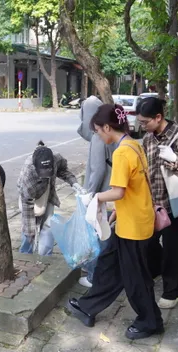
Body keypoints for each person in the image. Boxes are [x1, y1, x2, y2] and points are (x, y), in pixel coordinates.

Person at [66, 104, 163, 340]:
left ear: (108, 127)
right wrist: (115, 213)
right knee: (108, 265)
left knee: (135, 277)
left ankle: (151, 322)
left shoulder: (121, 152)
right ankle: (87, 307)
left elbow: (118, 191)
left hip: (134, 227)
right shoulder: (133, 145)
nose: (99, 135)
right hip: (131, 220)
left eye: (99, 130)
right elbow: (136, 188)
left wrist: (96, 197)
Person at [138, 96, 178, 309]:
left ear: (159, 117)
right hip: (152, 203)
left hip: (175, 203)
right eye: (141, 122)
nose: (143, 126)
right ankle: (157, 270)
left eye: (146, 122)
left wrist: (174, 160)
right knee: (147, 243)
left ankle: (171, 292)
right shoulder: (148, 138)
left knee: (172, 248)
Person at [77, 95, 117, 288]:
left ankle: (94, 277)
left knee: (99, 237)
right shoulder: (110, 132)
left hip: (103, 195)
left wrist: (90, 195)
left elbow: (98, 169)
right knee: (106, 235)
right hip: (112, 192)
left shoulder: (98, 136)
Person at [17, 141, 82, 256]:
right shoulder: (28, 172)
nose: (47, 175)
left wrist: (73, 183)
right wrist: (30, 232)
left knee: (48, 226)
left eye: (49, 171)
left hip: (47, 193)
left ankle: (45, 257)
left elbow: (63, 170)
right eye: (43, 172)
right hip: (29, 197)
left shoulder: (56, 158)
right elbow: (27, 202)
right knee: (28, 231)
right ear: (35, 167)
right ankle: (25, 255)